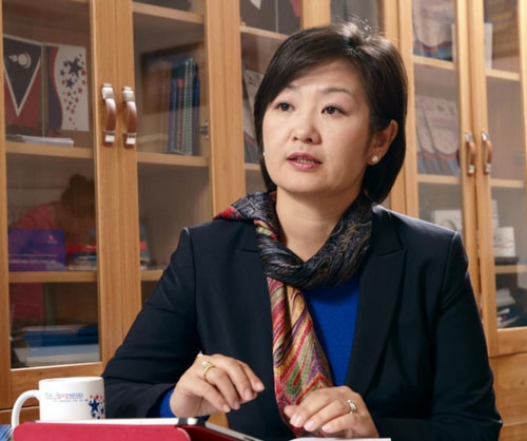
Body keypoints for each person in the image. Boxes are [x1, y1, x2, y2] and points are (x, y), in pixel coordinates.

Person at [102, 20, 502, 441]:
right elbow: (115, 395)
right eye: (285, 106)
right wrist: (177, 404)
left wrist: (376, 433)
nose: (303, 131)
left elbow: (474, 427)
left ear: (380, 140)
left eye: (332, 110)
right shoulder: (207, 253)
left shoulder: (431, 257)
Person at [9, 174, 96, 328]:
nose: (81, 232)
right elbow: (5, 259)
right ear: (68, 210)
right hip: (24, 313)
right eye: (81, 226)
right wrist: (45, 266)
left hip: (57, 311)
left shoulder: (71, 229)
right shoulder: (35, 220)